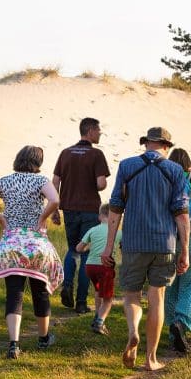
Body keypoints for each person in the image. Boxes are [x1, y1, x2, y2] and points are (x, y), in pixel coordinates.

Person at [102, 127, 189, 371]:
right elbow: (182, 214)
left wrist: (108, 247)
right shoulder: (175, 170)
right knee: (157, 298)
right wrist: (184, 250)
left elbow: (116, 207)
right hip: (164, 243)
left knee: (131, 294)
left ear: (146, 144)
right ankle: (151, 359)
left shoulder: (128, 166)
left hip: (133, 242)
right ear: (166, 146)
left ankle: (133, 332)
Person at [0, 146, 63, 359]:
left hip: (11, 244)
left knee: (14, 293)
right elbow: (55, 200)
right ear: (38, 162)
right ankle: (43, 338)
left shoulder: (5, 181)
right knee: (40, 291)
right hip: (36, 245)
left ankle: (14, 344)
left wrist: (1, 218)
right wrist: (42, 218)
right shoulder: (41, 181)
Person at [52, 117, 110, 314]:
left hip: (68, 208)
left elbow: (55, 182)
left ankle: (67, 284)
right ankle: (81, 302)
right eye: (99, 130)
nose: (100, 133)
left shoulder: (65, 153)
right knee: (86, 253)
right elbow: (101, 184)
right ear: (90, 131)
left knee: (72, 249)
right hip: (89, 208)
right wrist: (91, 183)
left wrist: (54, 209)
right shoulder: (96, 154)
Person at [163, 148, 191, 353]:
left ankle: (173, 334)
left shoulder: (166, 177)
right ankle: (181, 322)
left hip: (169, 238)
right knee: (189, 285)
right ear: (189, 164)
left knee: (170, 287)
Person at [75, 204, 117, 335]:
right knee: (108, 298)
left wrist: (89, 248)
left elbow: (78, 249)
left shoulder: (92, 230)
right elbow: (124, 247)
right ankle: (100, 322)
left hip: (90, 267)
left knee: (99, 290)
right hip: (105, 267)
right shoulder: (117, 232)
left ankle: (97, 317)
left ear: (100, 216)